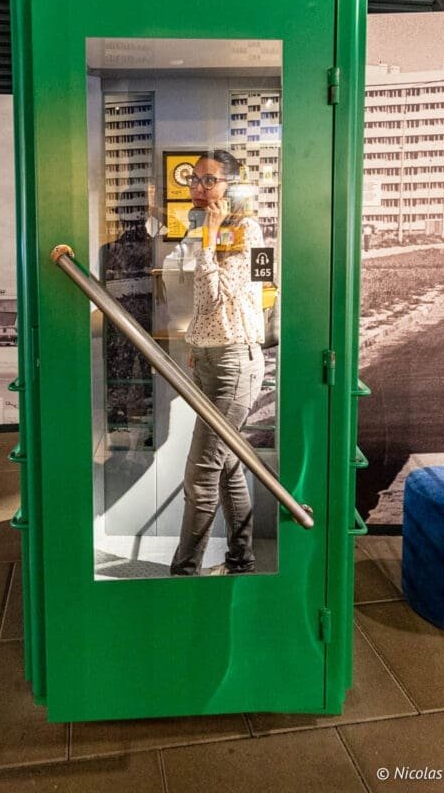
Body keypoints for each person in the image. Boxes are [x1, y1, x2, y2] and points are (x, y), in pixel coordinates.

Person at [170, 149, 265, 577]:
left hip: (234, 362)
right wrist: (198, 340)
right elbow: (202, 305)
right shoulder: (205, 229)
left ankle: (184, 575)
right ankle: (241, 561)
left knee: (202, 476)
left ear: (231, 186)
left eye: (209, 180)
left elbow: (211, 295)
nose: (198, 187)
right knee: (226, 467)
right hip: (209, 357)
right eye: (194, 179)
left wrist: (208, 237)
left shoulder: (245, 229)